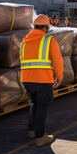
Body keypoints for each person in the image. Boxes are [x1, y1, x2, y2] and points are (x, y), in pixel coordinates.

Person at [20, 14, 64, 146]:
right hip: (43, 80)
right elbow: (57, 60)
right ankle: (40, 136)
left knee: (34, 103)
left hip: (26, 80)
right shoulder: (49, 40)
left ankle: (32, 130)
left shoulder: (24, 42)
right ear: (45, 27)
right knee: (42, 107)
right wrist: (59, 77)